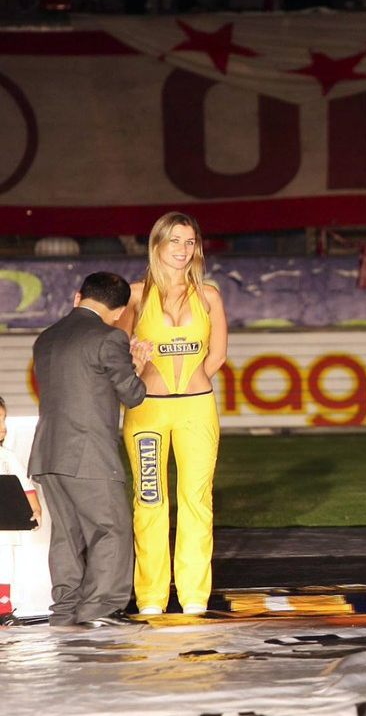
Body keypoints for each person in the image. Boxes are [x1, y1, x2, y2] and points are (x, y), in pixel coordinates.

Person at [118, 212, 227, 616]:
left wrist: (194, 381)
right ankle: (150, 598)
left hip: (197, 409)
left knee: (197, 500)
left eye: (190, 242)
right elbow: (116, 352)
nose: (183, 250)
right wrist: (134, 359)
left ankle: (195, 597)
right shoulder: (135, 295)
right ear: (157, 244)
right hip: (147, 409)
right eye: (175, 241)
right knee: (149, 500)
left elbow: (217, 353)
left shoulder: (209, 295)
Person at [28, 272, 152, 627]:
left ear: (78, 296)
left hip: (48, 453)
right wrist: (138, 364)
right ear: (119, 310)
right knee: (110, 529)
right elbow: (133, 394)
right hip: (88, 453)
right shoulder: (110, 336)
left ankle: (66, 610)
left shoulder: (46, 338)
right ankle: (101, 609)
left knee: (66, 535)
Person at [0, 395, 42, 627]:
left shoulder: (8, 457)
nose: (3, 427)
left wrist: (35, 509)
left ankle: (3, 610)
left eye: (4, 420)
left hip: (5, 529)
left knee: (5, 567)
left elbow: (26, 487)